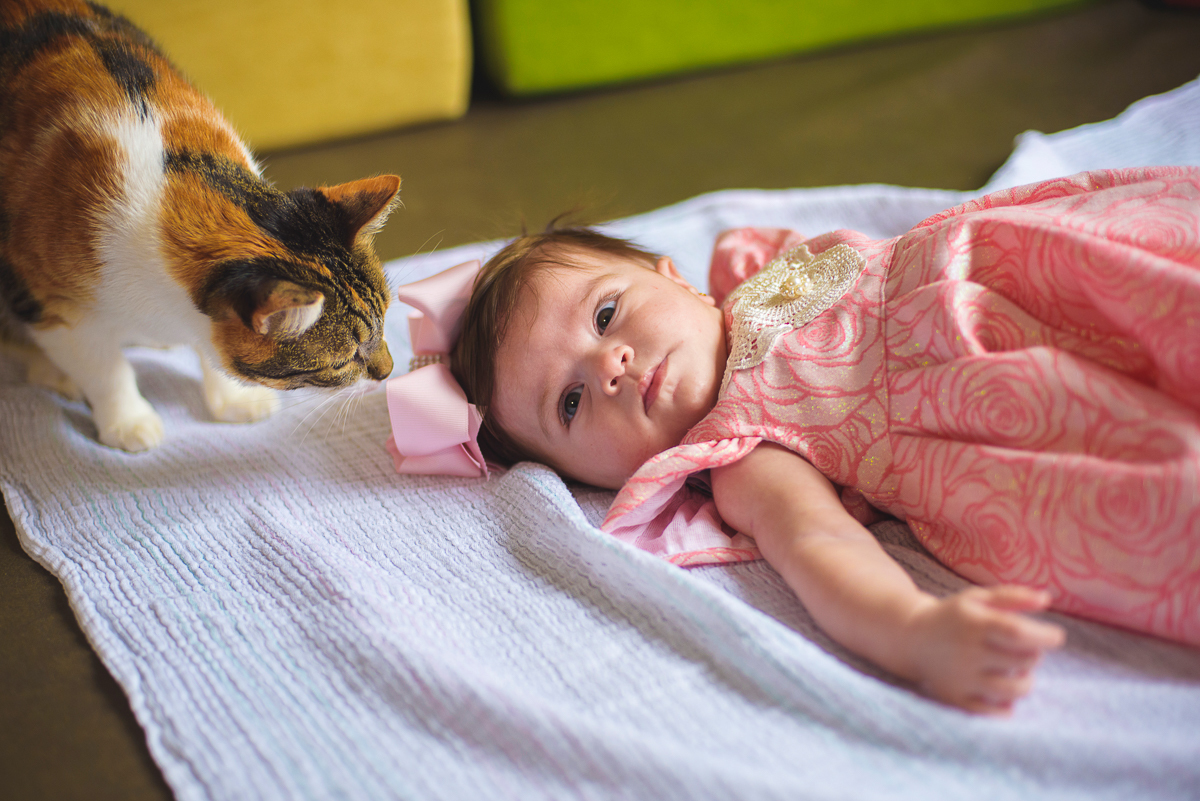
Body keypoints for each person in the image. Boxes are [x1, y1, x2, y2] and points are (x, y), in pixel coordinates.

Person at [386, 167, 1200, 715]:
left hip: (1030, 262)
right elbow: (819, 545)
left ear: (674, 277)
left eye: (605, 315)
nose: (610, 366)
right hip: (1002, 389)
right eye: (568, 402)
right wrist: (915, 635)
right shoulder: (744, 450)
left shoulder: (763, 274)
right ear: (587, 474)